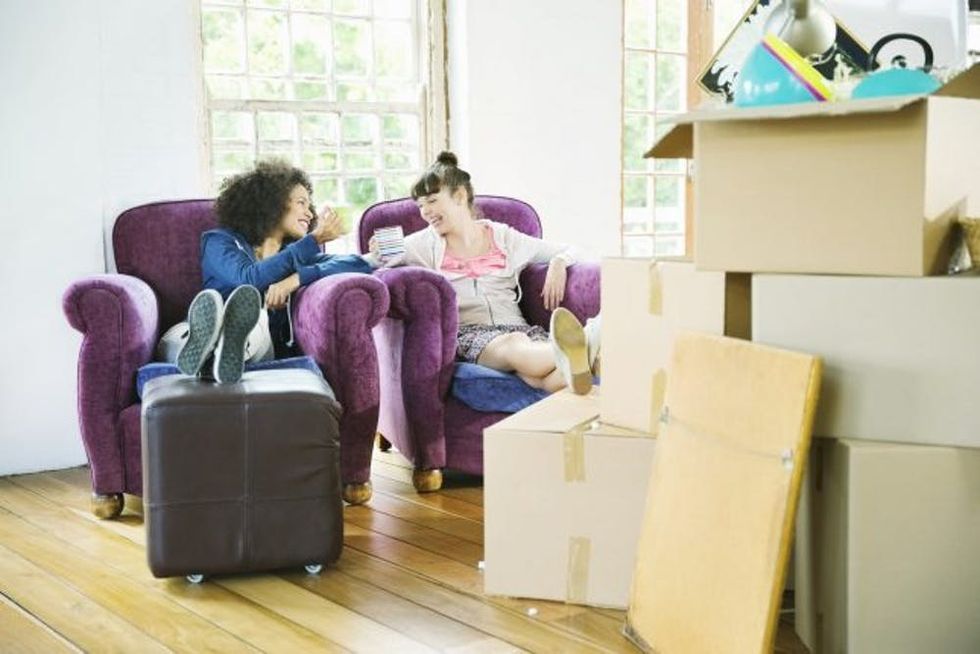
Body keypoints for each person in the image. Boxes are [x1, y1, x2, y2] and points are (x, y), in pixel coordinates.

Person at [380, 151, 600, 394]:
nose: (425, 211)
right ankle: (590, 340)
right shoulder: (421, 243)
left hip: (520, 328)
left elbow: (575, 250)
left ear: (460, 196)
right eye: (420, 205)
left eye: (432, 201)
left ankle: (580, 358)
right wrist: (379, 252)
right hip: (473, 334)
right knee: (515, 346)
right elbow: (369, 262)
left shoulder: (503, 237)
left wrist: (559, 262)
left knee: (542, 379)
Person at [157, 159, 375, 382]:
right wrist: (315, 238)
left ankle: (223, 353)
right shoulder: (219, 241)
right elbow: (248, 278)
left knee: (256, 319)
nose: (310, 214)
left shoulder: (296, 255)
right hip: (197, 328)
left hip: (258, 345)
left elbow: (357, 264)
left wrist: (296, 278)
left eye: (310, 206)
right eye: (302, 203)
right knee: (177, 338)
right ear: (273, 203)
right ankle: (206, 350)